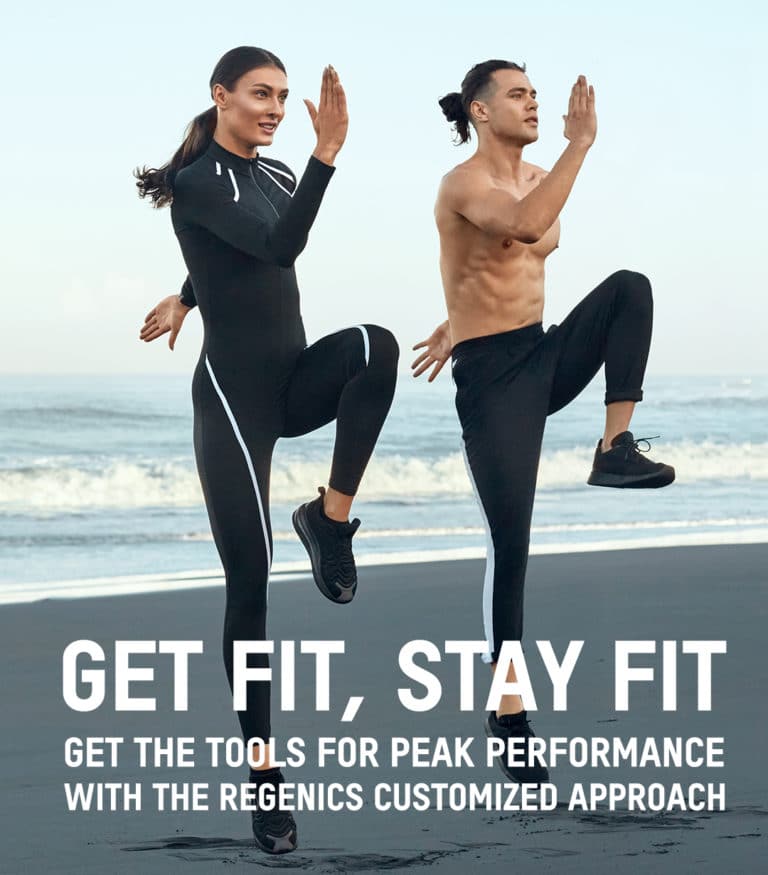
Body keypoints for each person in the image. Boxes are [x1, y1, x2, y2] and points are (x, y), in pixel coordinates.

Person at [135, 46, 398, 853]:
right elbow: (277, 248)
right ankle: (265, 773)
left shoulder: (275, 175)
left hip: (290, 379)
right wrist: (327, 157)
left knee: (375, 348)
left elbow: (252, 246)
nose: (277, 108)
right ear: (221, 96)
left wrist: (187, 292)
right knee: (249, 589)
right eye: (261, 94)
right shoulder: (194, 180)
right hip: (234, 407)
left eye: (284, 96)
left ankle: (330, 519)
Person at [411, 60, 674, 785]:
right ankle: (508, 710)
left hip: (539, 351)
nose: (534, 104)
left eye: (536, 93)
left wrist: (452, 315)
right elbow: (520, 232)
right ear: (481, 111)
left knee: (629, 290)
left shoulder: (533, 179)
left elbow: (510, 261)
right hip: (493, 383)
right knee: (511, 546)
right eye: (519, 94)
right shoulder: (462, 183)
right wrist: (580, 144)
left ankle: (614, 445)